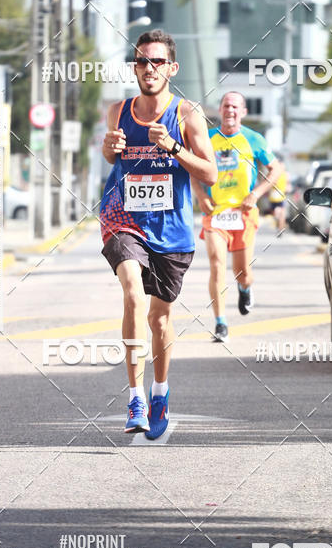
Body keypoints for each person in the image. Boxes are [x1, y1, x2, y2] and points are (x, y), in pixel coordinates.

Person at [100, 30, 217, 437]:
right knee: (132, 292)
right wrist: (109, 147)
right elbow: (110, 155)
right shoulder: (118, 110)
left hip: (172, 230)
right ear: (134, 67)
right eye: (141, 62)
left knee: (160, 319)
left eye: (156, 62)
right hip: (123, 217)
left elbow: (210, 173)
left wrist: (172, 147)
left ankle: (160, 391)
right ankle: (134, 399)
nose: (148, 69)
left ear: (172, 68)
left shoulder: (187, 114)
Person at [191, 91, 282, 341]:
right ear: (219, 110)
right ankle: (220, 323)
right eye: (226, 106)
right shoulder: (207, 139)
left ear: (243, 112)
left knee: (241, 271)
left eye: (235, 107)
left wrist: (256, 194)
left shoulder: (254, 139)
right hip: (216, 213)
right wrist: (201, 196)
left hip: (244, 213)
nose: (230, 110)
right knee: (216, 264)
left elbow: (276, 169)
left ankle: (245, 287)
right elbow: (194, 171)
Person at [268, 156, 288, 234]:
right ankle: (280, 227)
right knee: (280, 213)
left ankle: (280, 228)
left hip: (278, 195)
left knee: (280, 213)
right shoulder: (282, 174)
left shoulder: (278, 173)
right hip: (277, 195)